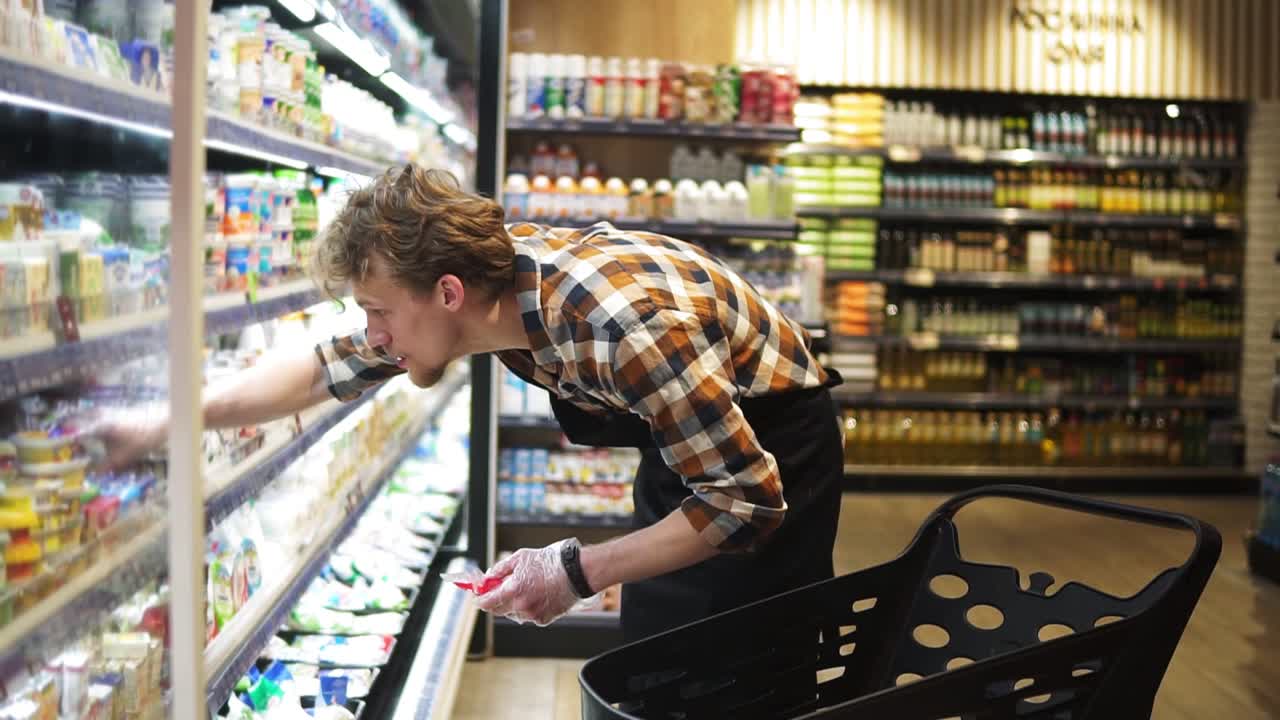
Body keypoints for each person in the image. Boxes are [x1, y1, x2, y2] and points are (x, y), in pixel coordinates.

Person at [103, 165, 844, 641]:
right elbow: (319, 371)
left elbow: (745, 500)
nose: (372, 334)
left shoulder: (618, 326)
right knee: (659, 649)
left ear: (447, 295)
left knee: (744, 664)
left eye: (376, 311)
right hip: (684, 438)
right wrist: (168, 421)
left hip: (774, 444)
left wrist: (575, 571)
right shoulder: (472, 292)